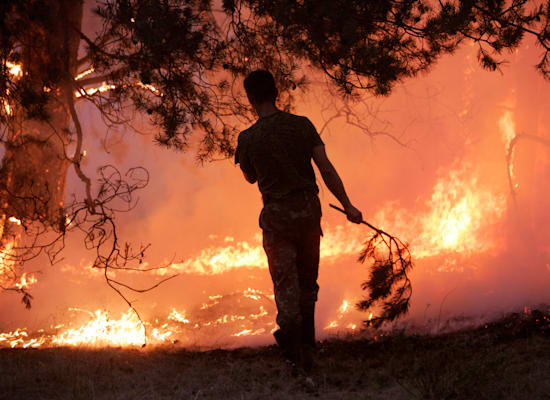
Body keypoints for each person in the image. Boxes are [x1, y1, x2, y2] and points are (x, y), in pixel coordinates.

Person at [235, 70, 362, 374]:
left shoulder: (248, 138)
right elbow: (326, 170)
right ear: (276, 92)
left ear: (251, 99)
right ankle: (307, 350)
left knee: (285, 287)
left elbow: (251, 178)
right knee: (307, 286)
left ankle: (294, 349)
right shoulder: (302, 126)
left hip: (277, 219)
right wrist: (348, 206)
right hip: (307, 214)